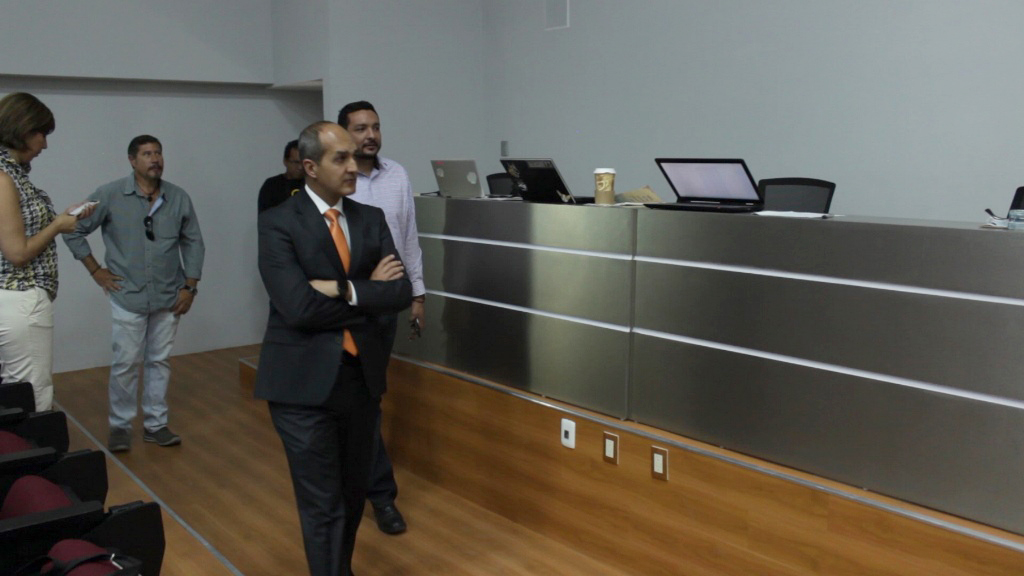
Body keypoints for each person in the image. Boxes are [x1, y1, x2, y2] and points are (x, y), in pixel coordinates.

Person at [256, 121, 411, 576]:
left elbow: (400, 293)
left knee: (351, 495)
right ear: (310, 167)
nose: (353, 167)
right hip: (301, 387)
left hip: (359, 382)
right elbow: (298, 308)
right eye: (340, 158)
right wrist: (367, 294)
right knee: (322, 503)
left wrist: (342, 289)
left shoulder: (370, 219)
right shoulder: (278, 222)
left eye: (353, 157)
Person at [63, 135, 204, 453]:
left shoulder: (178, 197)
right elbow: (71, 229)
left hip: (169, 295)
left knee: (159, 361)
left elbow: (194, 242)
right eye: (147, 154)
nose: (155, 159)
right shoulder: (109, 194)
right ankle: (120, 426)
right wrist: (95, 271)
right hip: (128, 295)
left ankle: (156, 425)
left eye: (158, 153)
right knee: (125, 363)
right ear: (132, 160)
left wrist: (190, 286)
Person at [338, 100, 424, 535]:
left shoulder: (398, 175)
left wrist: (417, 293)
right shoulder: (338, 179)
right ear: (343, 134)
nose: (370, 135)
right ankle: (362, 490)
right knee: (351, 403)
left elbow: (409, 239)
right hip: (343, 308)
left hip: (385, 307)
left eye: (374, 126)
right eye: (359, 128)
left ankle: (379, 495)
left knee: (369, 400)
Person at [0, 92, 95, 411]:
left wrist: (59, 220)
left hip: (15, 300)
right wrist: (56, 226)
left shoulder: (13, 174)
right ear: (22, 130)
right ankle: (29, 446)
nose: (45, 144)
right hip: (20, 298)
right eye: (41, 133)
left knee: (16, 396)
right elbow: (17, 253)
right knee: (32, 397)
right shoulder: (3, 178)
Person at [257, 139, 305, 214]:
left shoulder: (315, 185)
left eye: (304, 163)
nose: (300, 167)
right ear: (285, 161)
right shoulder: (272, 185)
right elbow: (265, 217)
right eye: (296, 162)